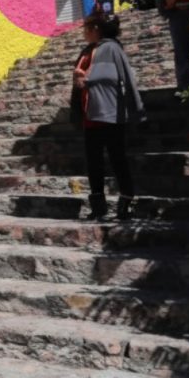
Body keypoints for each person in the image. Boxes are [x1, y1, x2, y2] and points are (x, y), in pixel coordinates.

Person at [71, 12, 144, 221]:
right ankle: (98, 206)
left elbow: (120, 77)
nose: (84, 32)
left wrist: (137, 108)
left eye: (86, 28)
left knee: (117, 159)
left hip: (110, 113)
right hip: (90, 114)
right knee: (93, 162)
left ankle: (126, 203)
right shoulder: (87, 51)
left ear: (96, 29)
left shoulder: (112, 48)